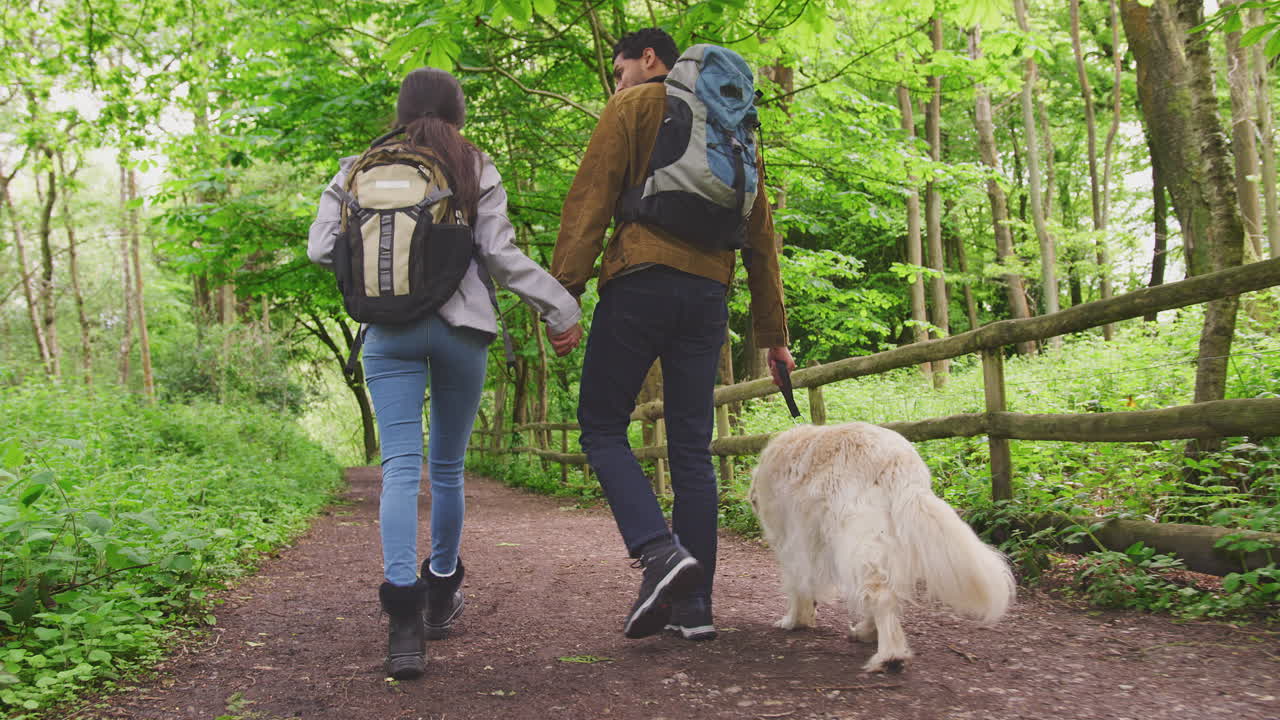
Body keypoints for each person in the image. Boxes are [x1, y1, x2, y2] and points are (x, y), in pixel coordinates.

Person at [308, 67, 583, 679]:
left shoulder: (356, 167)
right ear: (456, 113)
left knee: (401, 469)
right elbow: (500, 255)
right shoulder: (471, 165)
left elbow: (321, 249)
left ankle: (402, 620)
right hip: (463, 330)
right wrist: (560, 308)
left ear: (402, 112)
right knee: (449, 469)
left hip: (388, 333)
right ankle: (440, 593)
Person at [550, 28, 794, 642]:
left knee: (602, 426)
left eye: (621, 66)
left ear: (648, 58)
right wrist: (773, 334)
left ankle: (658, 552)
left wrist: (564, 294)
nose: (619, 78)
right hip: (709, 294)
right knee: (692, 451)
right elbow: (761, 232)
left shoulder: (633, 108)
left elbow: (591, 202)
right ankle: (695, 608)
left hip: (640, 280)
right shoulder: (734, 125)